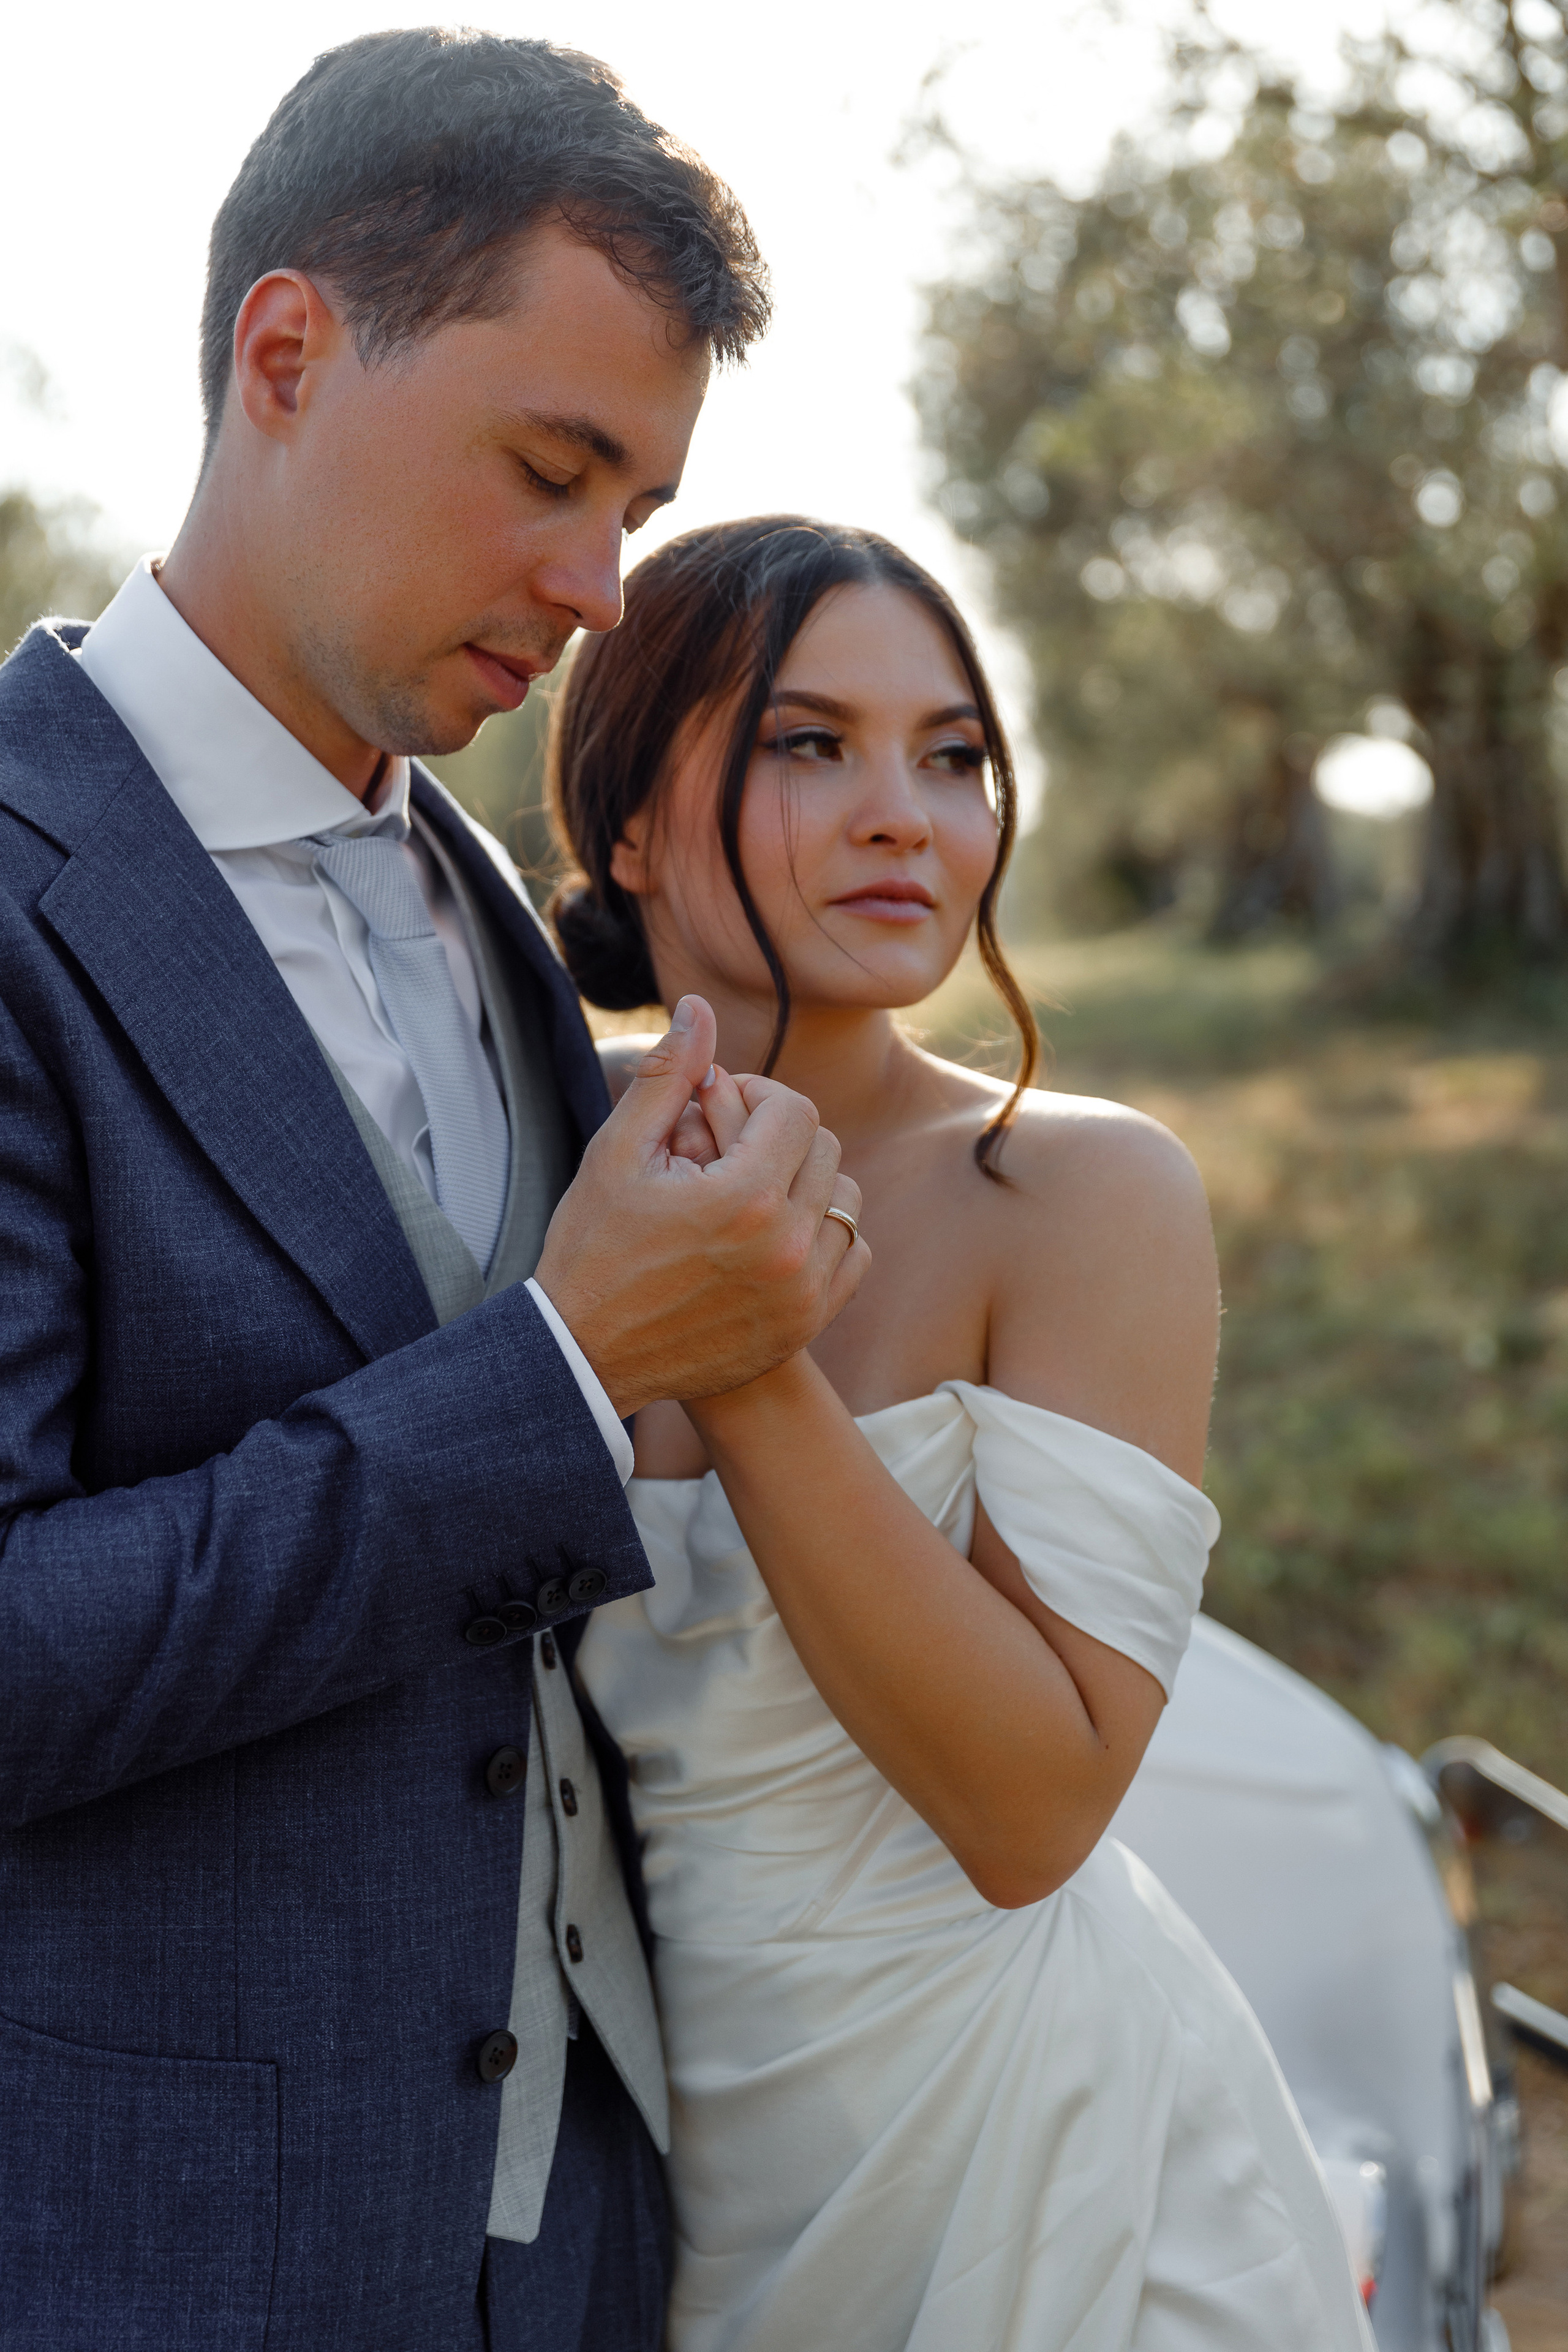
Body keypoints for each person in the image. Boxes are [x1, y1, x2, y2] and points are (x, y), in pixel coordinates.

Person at [0, 40, 866, 2352]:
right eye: (552, 472)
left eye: (640, 507)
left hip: (583, 2232)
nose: (601, 588)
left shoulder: (485, 895)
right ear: (287, 355)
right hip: (167, 2254)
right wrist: (571, 1376)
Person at [555, 517, 1378, 2352]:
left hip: (1043, 2162)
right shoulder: (521, 1146)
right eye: (810, 743)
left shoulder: (1079, 1191)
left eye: (952, 757)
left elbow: (1034, 1812)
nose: (904, 818)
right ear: (627, 822)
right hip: (658, 2176)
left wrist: (745, 1348)